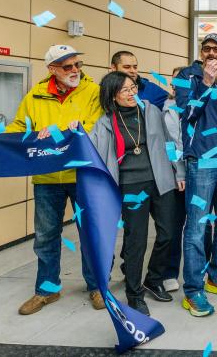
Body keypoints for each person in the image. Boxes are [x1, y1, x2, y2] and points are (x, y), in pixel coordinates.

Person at [3, 45, 104, 315]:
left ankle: (97, 287)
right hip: (47, 177)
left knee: (90, 234)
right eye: (67, 66)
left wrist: (58, 132)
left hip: (83, 174)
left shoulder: (93, 92)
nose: (75, 71)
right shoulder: (34, 96)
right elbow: (19, 128)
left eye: (77, 64)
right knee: (46, 236)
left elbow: (95, 127)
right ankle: (47, 290)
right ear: (52, 70)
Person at [88, 72, 183, 315]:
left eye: (133, 88)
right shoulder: (105, 122)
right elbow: (90, 149)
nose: (132, 94)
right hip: (130, 187)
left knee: (169, 233)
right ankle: (134, 293)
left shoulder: (151, 111)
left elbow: (170, 142)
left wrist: (179, 172)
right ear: (112, 95)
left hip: (161, 181)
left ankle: (153, 278)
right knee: (135, 240)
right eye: (126, 90)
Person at [175, 34, 217, 317]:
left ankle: (216, 277)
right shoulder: (186, 76)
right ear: (200, 53)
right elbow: (186, 114)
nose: (212, 54)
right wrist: (205, 83)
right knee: (196, 228)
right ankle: (193, 290)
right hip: (201, 161)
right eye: (207, 49)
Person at [162, 66, 191, 294]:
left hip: (203, 171)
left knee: (203, 224)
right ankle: (170, 272)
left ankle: (204, 269)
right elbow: (170, 146)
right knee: (174, 225)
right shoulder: (167, 109)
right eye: (174, 84)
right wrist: (179, 172)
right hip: (178, 176)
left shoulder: (204, 104)